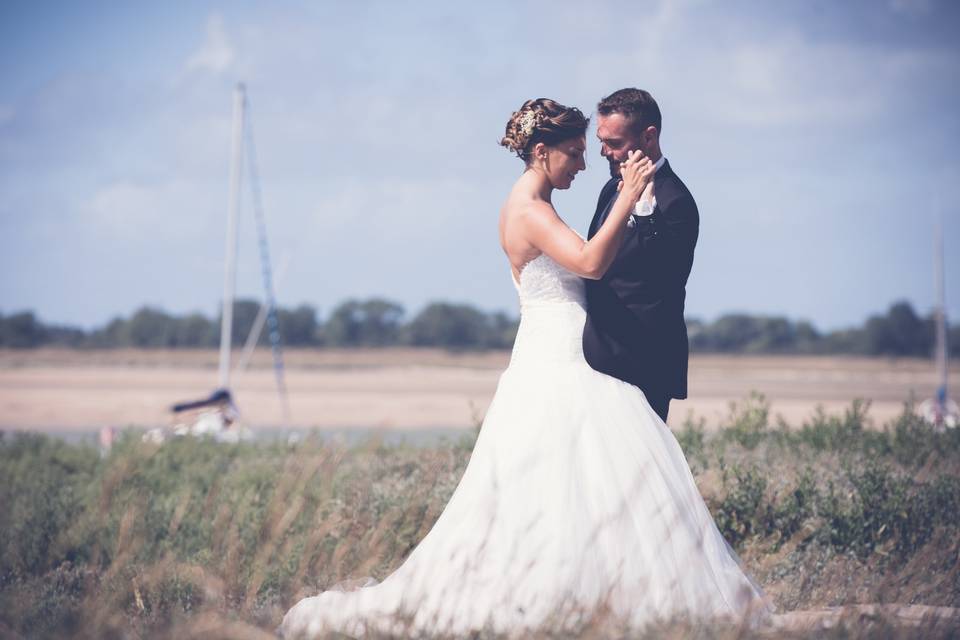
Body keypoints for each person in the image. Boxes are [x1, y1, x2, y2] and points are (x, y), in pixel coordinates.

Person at [279, 98, 771, 638]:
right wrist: (629, 195)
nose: (585, 165)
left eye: (594, 150)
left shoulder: (554, 201)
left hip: (585, 356)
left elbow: (646, 277)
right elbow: (588, 263)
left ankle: (596, 594)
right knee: (564, 482)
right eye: (576, 153)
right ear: (542, 151)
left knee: (589, 486)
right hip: (559, 360)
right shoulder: (532, 210)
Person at [583, 88, 698, 423]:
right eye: (602, 141)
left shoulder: (676, 200)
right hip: (601, 358)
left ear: (649, 137)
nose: (605, 152)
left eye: (615, 143)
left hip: (644, 363)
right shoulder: (609, 189)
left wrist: (645, 211)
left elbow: (668, 274)